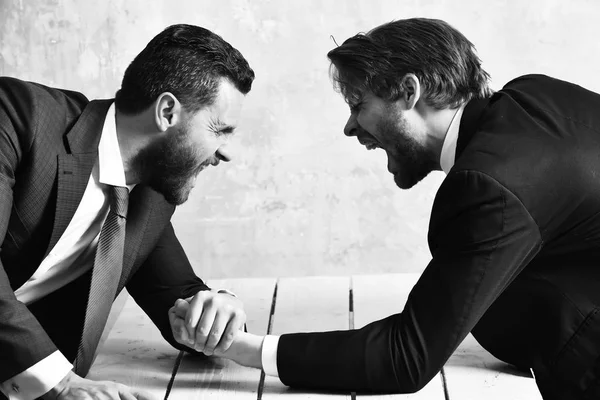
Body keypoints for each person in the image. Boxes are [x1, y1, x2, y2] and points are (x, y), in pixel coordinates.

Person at [172, 18, 600, 400]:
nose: (349, 127)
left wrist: (244, 348)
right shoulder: (535, 97)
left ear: (409, 93)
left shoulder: (489, 186)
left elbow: (407, 358)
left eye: (359, 105)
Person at [0, 24, 254, 400]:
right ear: (167, 111)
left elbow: (179, 301)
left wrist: (219, 310)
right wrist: (61, 383)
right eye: (219, 129)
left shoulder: (150, 196)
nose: (227, 153)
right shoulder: (18, 116)